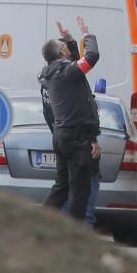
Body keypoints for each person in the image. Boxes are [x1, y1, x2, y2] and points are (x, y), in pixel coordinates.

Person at [40, 17, 102, 221]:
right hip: (76, 138)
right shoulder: (65, 73)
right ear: (60, 53)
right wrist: (87, 34)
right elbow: (91, 57)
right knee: (79, 190)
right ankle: (74, 233)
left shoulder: (54, 73)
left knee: (62, 186)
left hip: (63, 136)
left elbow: (75, 65)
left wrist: (71, 40)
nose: (66, 47)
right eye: (64, 46)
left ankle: (40, 222)